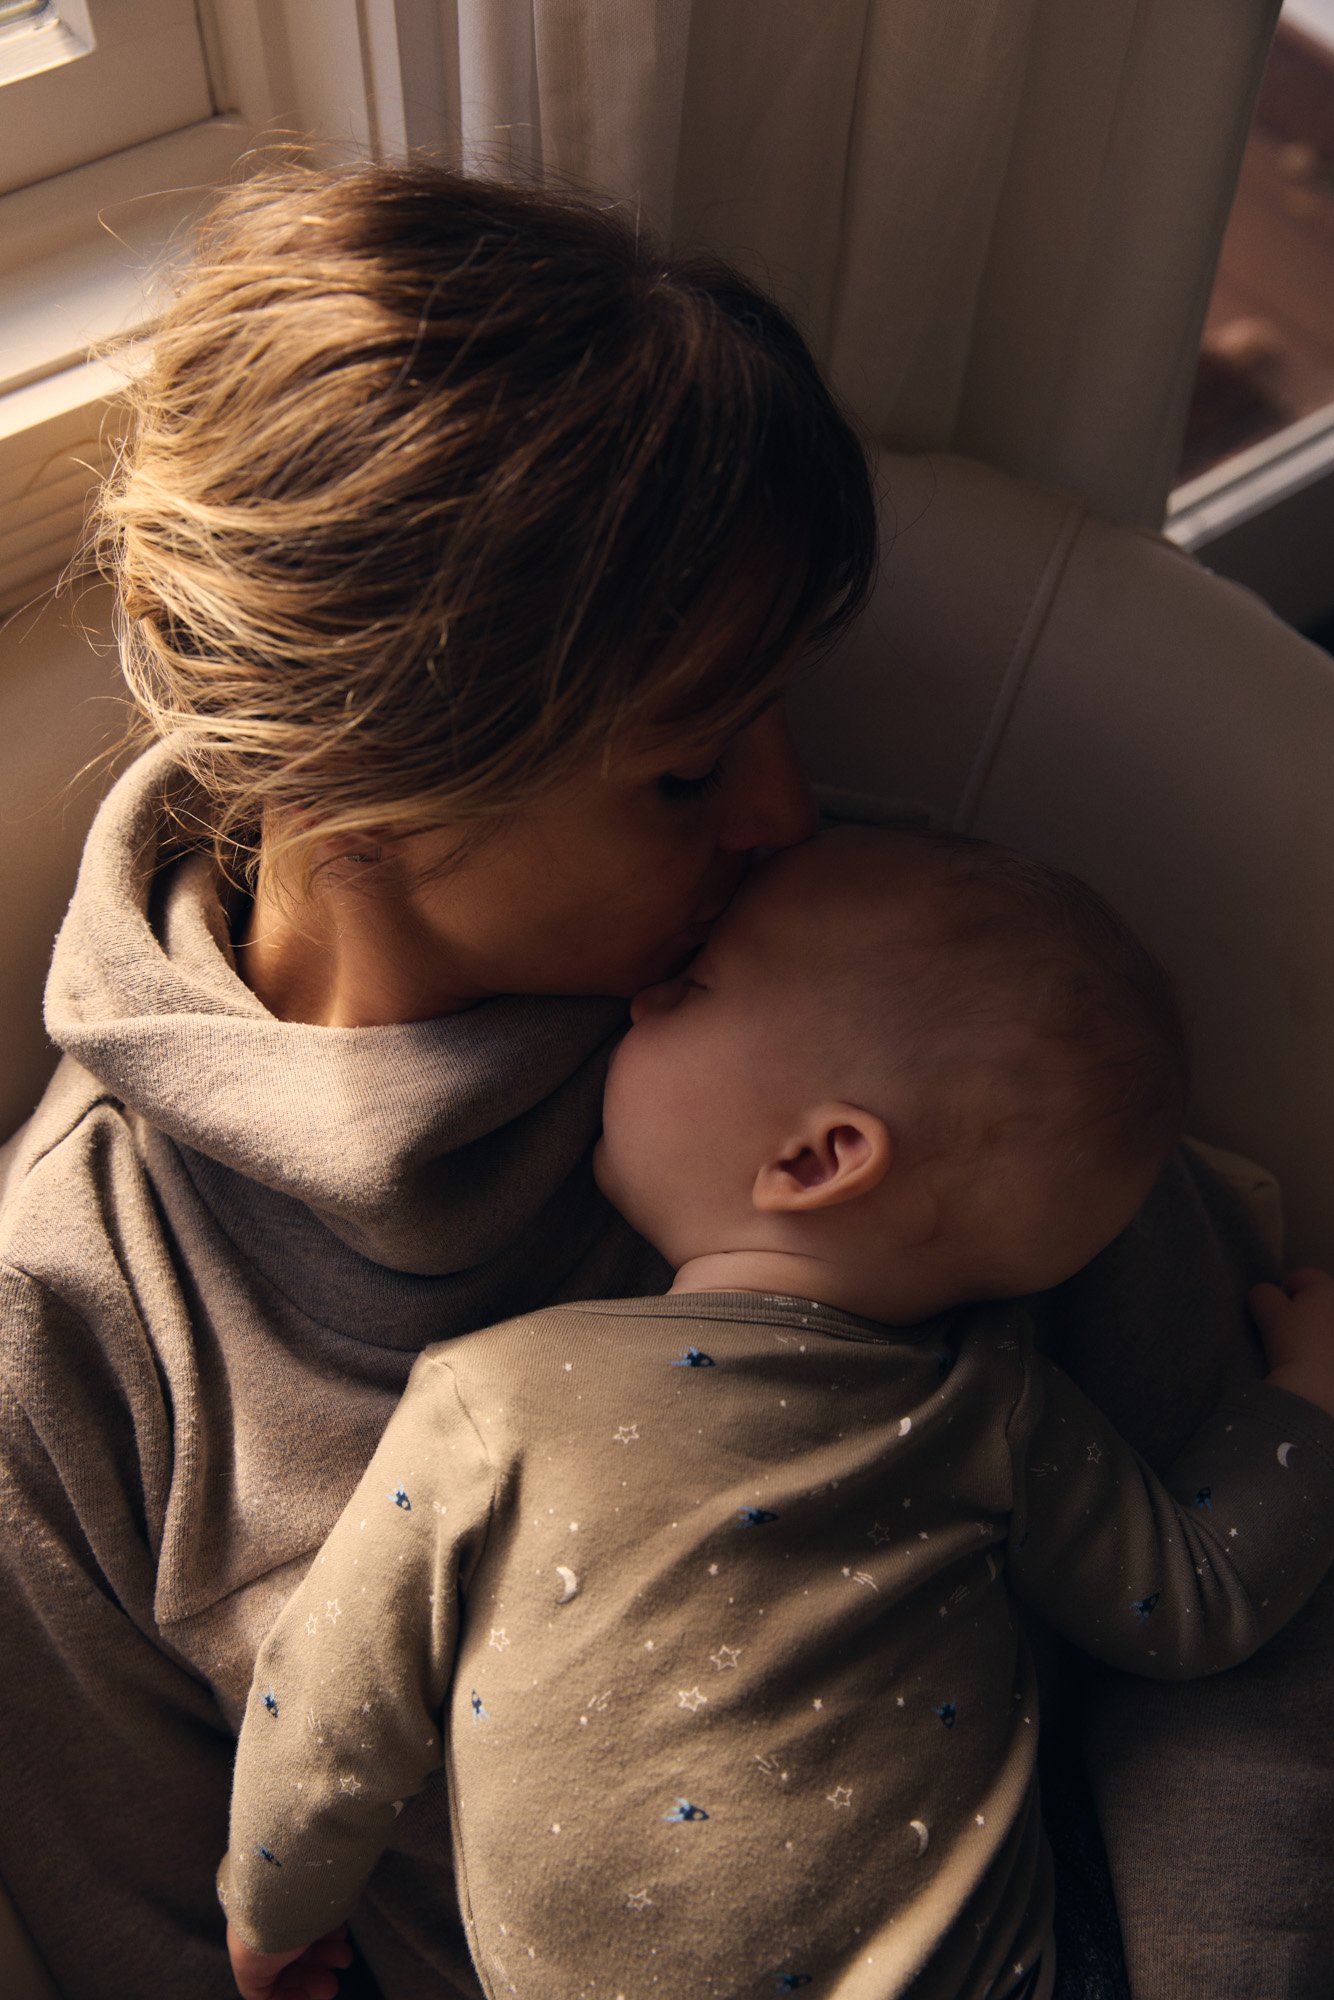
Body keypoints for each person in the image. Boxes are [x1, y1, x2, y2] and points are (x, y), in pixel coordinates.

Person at [0, 159, 1326, 2000]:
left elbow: (1231, 1614)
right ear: (360, 788)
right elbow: (154, 1938)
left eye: (776, 709)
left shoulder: (880, 972)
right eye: (686, 771)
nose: (783, 810)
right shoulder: (79, 1318)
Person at [217, 826, 1334, 2000]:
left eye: (693, 986)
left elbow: (335, 1699)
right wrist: (1302, 1397)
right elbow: (1195, 1594)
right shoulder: (990, 1402)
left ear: (813, 1158)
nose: (641, 997)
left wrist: (271, 1908)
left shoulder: (497, 1394)